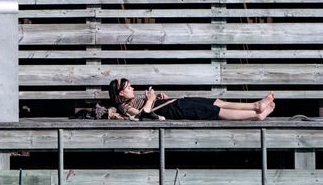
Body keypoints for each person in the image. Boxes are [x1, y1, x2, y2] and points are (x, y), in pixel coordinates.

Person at [109, 78, 275, 121]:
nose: (132, 89)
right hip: (175, 111)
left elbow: (149, 107)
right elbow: (141, 117)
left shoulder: (129, 101)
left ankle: (256, 105)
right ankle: (255, 115)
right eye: (128, 88)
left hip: (174, 103)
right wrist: (151, 100)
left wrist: (157, 99)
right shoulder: (123, 107)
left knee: (215, 102)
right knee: (215, 111)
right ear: (120, 94)